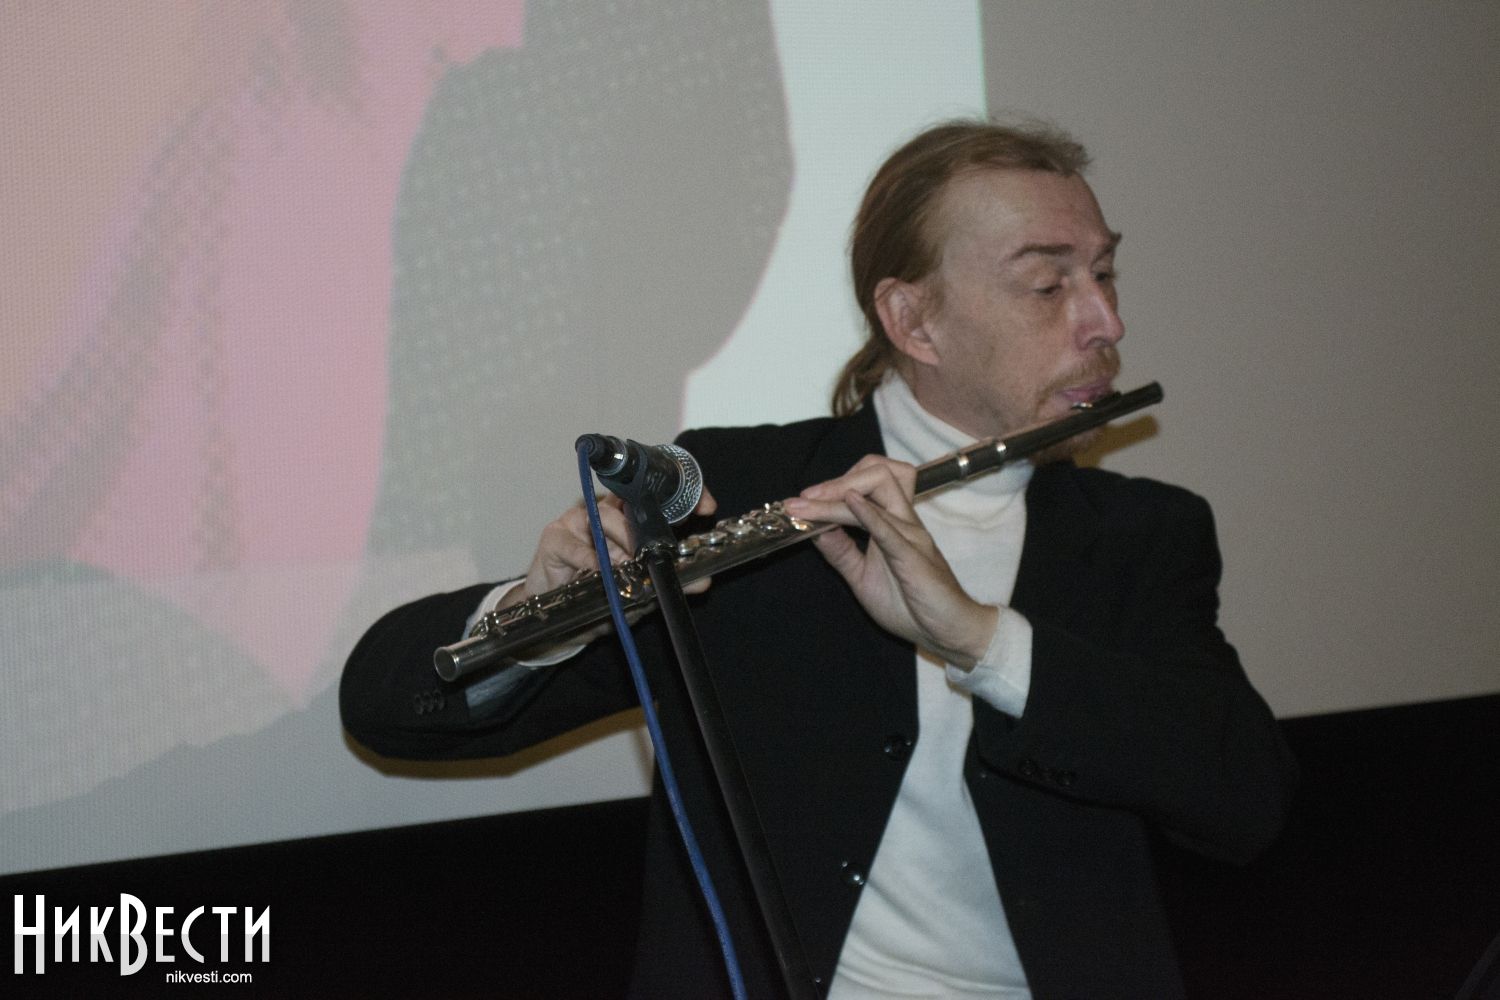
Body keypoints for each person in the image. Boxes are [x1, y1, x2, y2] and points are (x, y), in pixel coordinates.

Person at [340, 118, 1298, 1000]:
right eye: (1049, 286)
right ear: (913, 321)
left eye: (1105, 275)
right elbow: (388, 706)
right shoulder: (740, 490)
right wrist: (540, 612)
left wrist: (984, 642)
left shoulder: (1140, 536)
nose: (1104, 323)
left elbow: (1246, 801)